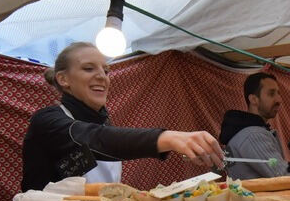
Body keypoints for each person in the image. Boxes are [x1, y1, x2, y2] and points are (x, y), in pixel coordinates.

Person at [20, 42, 223, 191]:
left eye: (106, 70)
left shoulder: (105, 124)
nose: (102, 76)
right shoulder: (48, 121)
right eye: (89, 68)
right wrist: (167, 138)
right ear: (63, 79)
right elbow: (90, 138)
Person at [219, 72, 289, 180]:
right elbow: (284, 176)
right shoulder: (253, 135)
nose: (279, 100)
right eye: (271, 94)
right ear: (253, 99)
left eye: (278, 94)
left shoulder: (249, 131)